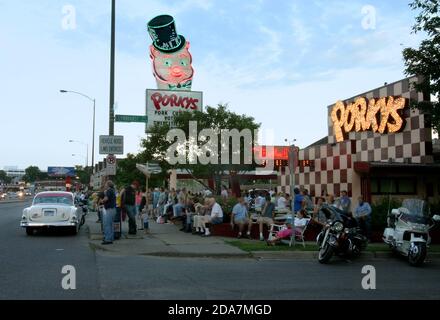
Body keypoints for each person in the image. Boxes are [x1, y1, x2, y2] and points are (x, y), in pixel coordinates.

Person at [101, 180, 116, 245]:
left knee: (107, 225)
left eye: (105, 184)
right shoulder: (113, 190)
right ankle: (111, 238)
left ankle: (107, 239)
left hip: (109, 209)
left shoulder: (109, 191)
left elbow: (106, 199)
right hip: (113, 209)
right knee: (111, 225)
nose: (105, 185)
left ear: (108, 185)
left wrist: (102, 201)